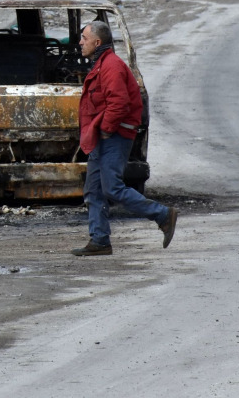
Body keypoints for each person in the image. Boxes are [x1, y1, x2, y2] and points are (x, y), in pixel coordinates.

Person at [72, 20, 178, 256]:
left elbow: (119, 103)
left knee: (113, 189)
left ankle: (163, 214)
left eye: (84, 38)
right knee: (94, 191)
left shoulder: (111, 66)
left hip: (113, 136)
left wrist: (107, 128)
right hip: (102, 136)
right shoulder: (102, 64)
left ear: (97, 42)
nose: (80, 42)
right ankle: (99, 241)